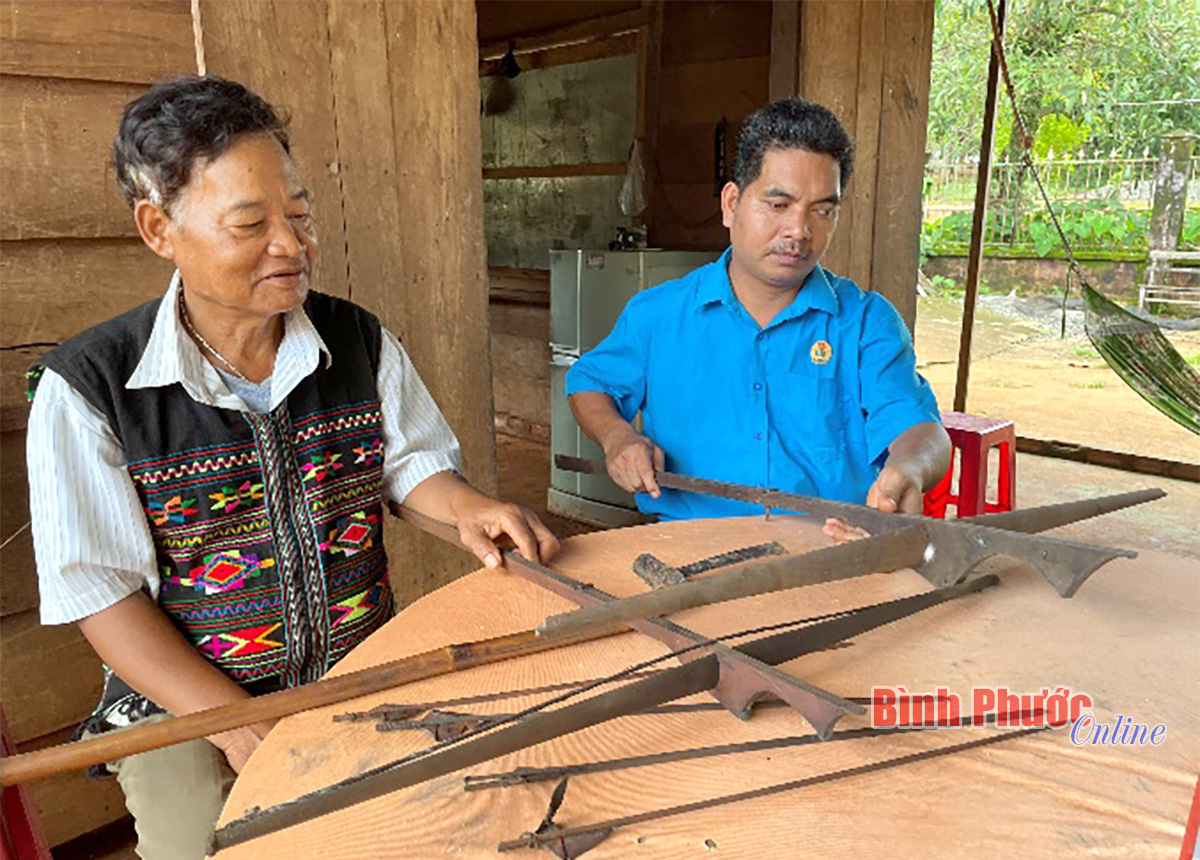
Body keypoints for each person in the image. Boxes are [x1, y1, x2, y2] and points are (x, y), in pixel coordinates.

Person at [25, 76, 558, 860]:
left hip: (355, 666)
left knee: (399, 834)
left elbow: (409, 472)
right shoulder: (94, 388)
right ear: (158, 229)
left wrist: (466, 507)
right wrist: (240, 723)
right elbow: (100, 596)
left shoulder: (358, 340)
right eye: (250, 223)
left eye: (299, 216)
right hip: (184, 703)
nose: (292, 245)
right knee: (203, 847)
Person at [567, 97, 950, 532]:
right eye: (778, 204)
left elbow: (921, 429)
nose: (799, 231)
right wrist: (618, 437)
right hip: (686, 545)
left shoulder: (865, 323)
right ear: (731, 204)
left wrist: (909, 469)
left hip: (829, 550)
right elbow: (589, 383)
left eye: (823, 210)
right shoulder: (658, 315)